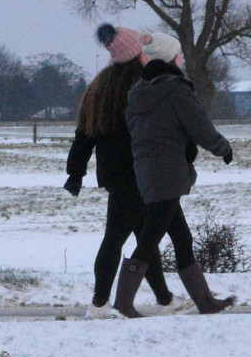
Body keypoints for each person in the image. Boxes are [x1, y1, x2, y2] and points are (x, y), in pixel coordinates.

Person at [64, 23, 185, 318]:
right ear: (136, 52)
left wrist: (76, 171)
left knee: (144, 237)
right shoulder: (142, 85)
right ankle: (99, 304)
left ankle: (165, 299)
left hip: (114, 175)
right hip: (140, 173)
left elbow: (85, 134)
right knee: (116, 239)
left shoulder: (100, 87)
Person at [114, 31, 237, 317]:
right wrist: (223, 149)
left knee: (182, 238)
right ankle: (121, 304)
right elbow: (200, 126)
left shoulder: (137, 92)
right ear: (171, 58)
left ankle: (205, 302)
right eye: (179, 55)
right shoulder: (176, 89)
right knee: (149, 239)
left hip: (146, 171)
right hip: (169, 173)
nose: (181, 59)